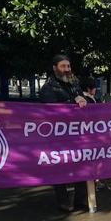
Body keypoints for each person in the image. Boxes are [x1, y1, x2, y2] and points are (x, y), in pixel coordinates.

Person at [39, 54, 88, 212]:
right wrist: (73, 103)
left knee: (81, 167)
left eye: (68, 66)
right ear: (55, 68)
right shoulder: (48, 88)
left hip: (76, 135)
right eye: (63, 66)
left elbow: (80, 101)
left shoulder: (74, 84)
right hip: (58, 138)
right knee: (59, 169)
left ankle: (80, 200)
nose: (67, 69)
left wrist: (83, 99)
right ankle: (64, 202)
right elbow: (52, 109)